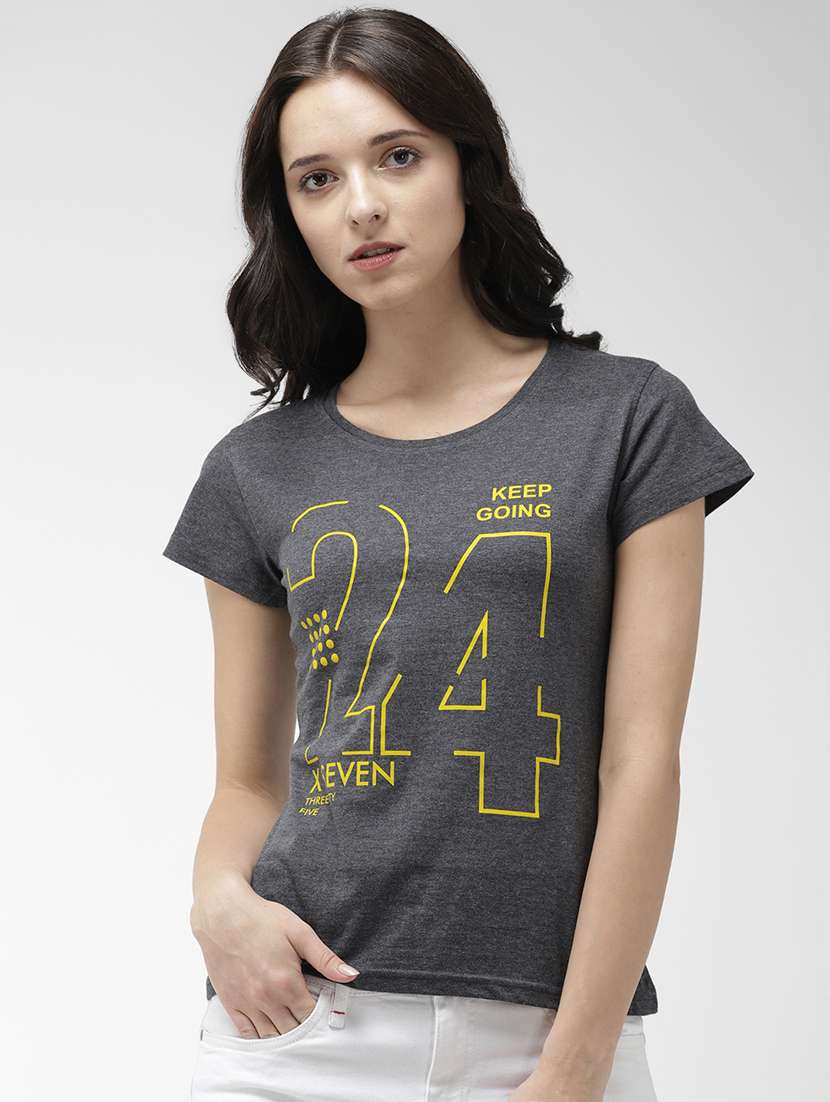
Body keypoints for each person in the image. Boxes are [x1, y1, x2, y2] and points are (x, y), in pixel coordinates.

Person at [161, 9, 754, 1101]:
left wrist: (575, 1063)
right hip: (298, 1025)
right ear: (290, 216)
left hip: (551, 1035)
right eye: (317, 179)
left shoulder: (627, 420)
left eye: (397, 156)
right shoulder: (255, 469)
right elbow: (247, 779)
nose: (362, 205)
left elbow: (640, 761)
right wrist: (217, 904)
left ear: (466, 165)